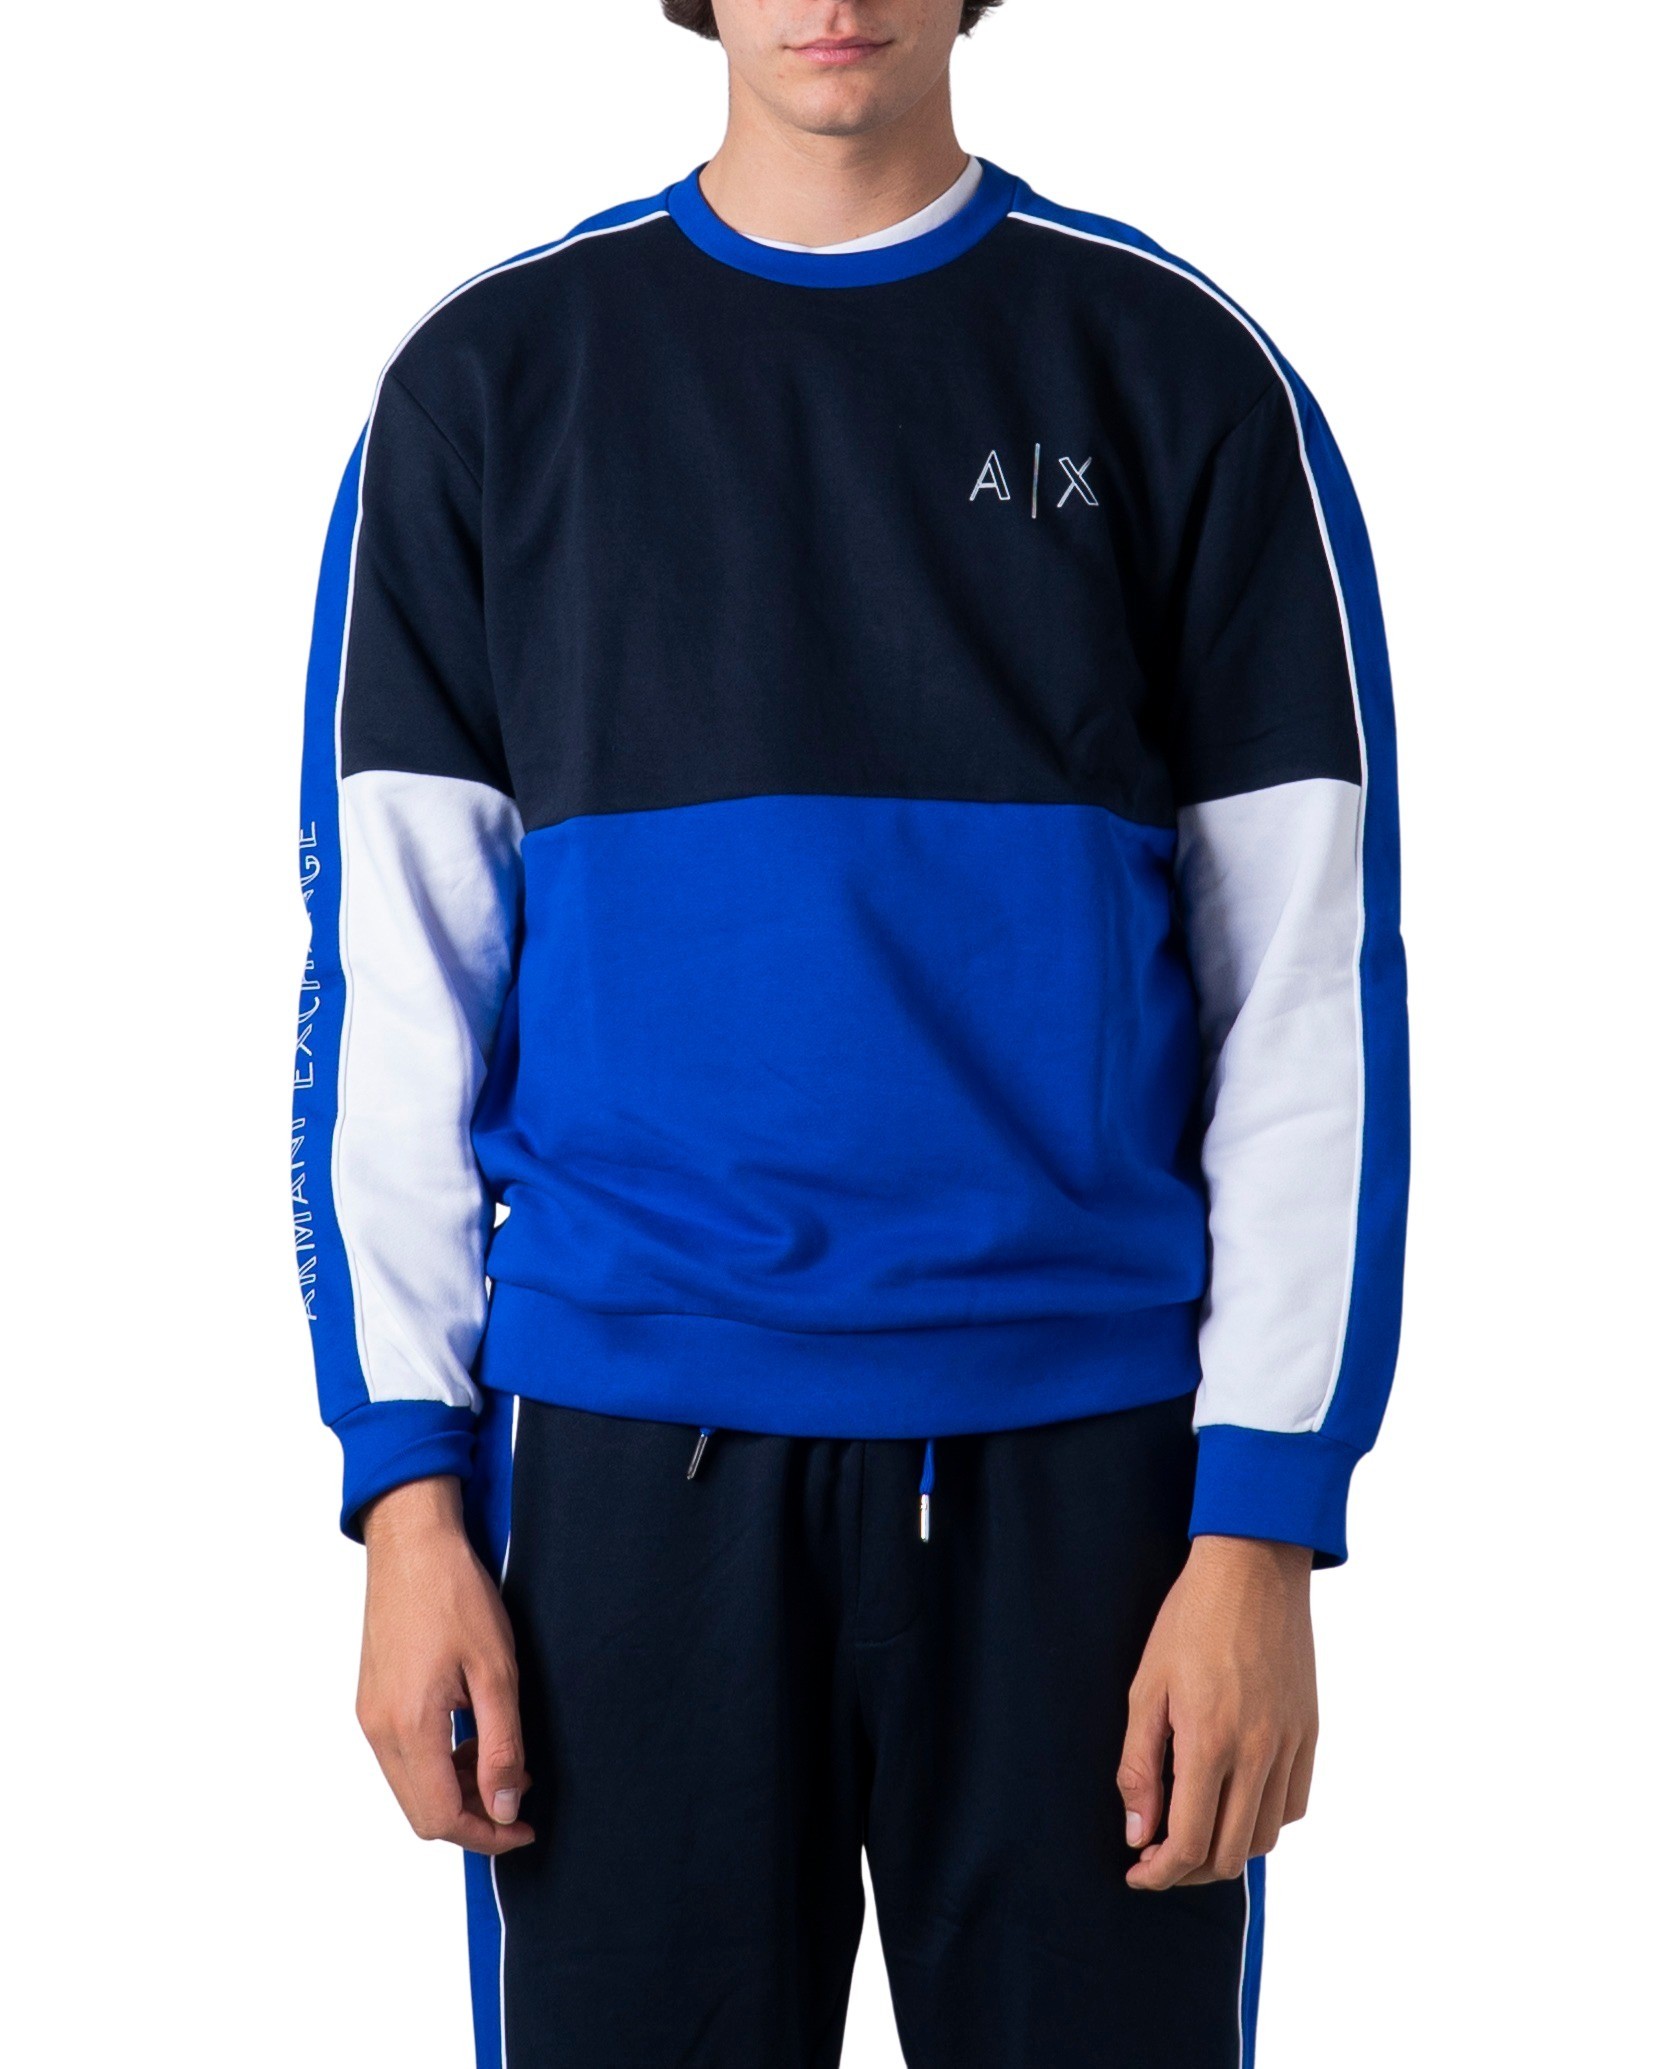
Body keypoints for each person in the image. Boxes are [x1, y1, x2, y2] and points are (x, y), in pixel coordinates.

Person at [291, 2, 1408, 2062]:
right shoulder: (491, 387)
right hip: (627, 1482)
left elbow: (1308, 996)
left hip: (1089, 1483)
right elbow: (396, 998)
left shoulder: (1170, 372)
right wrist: (409, 1497)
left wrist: (1264, 1515)